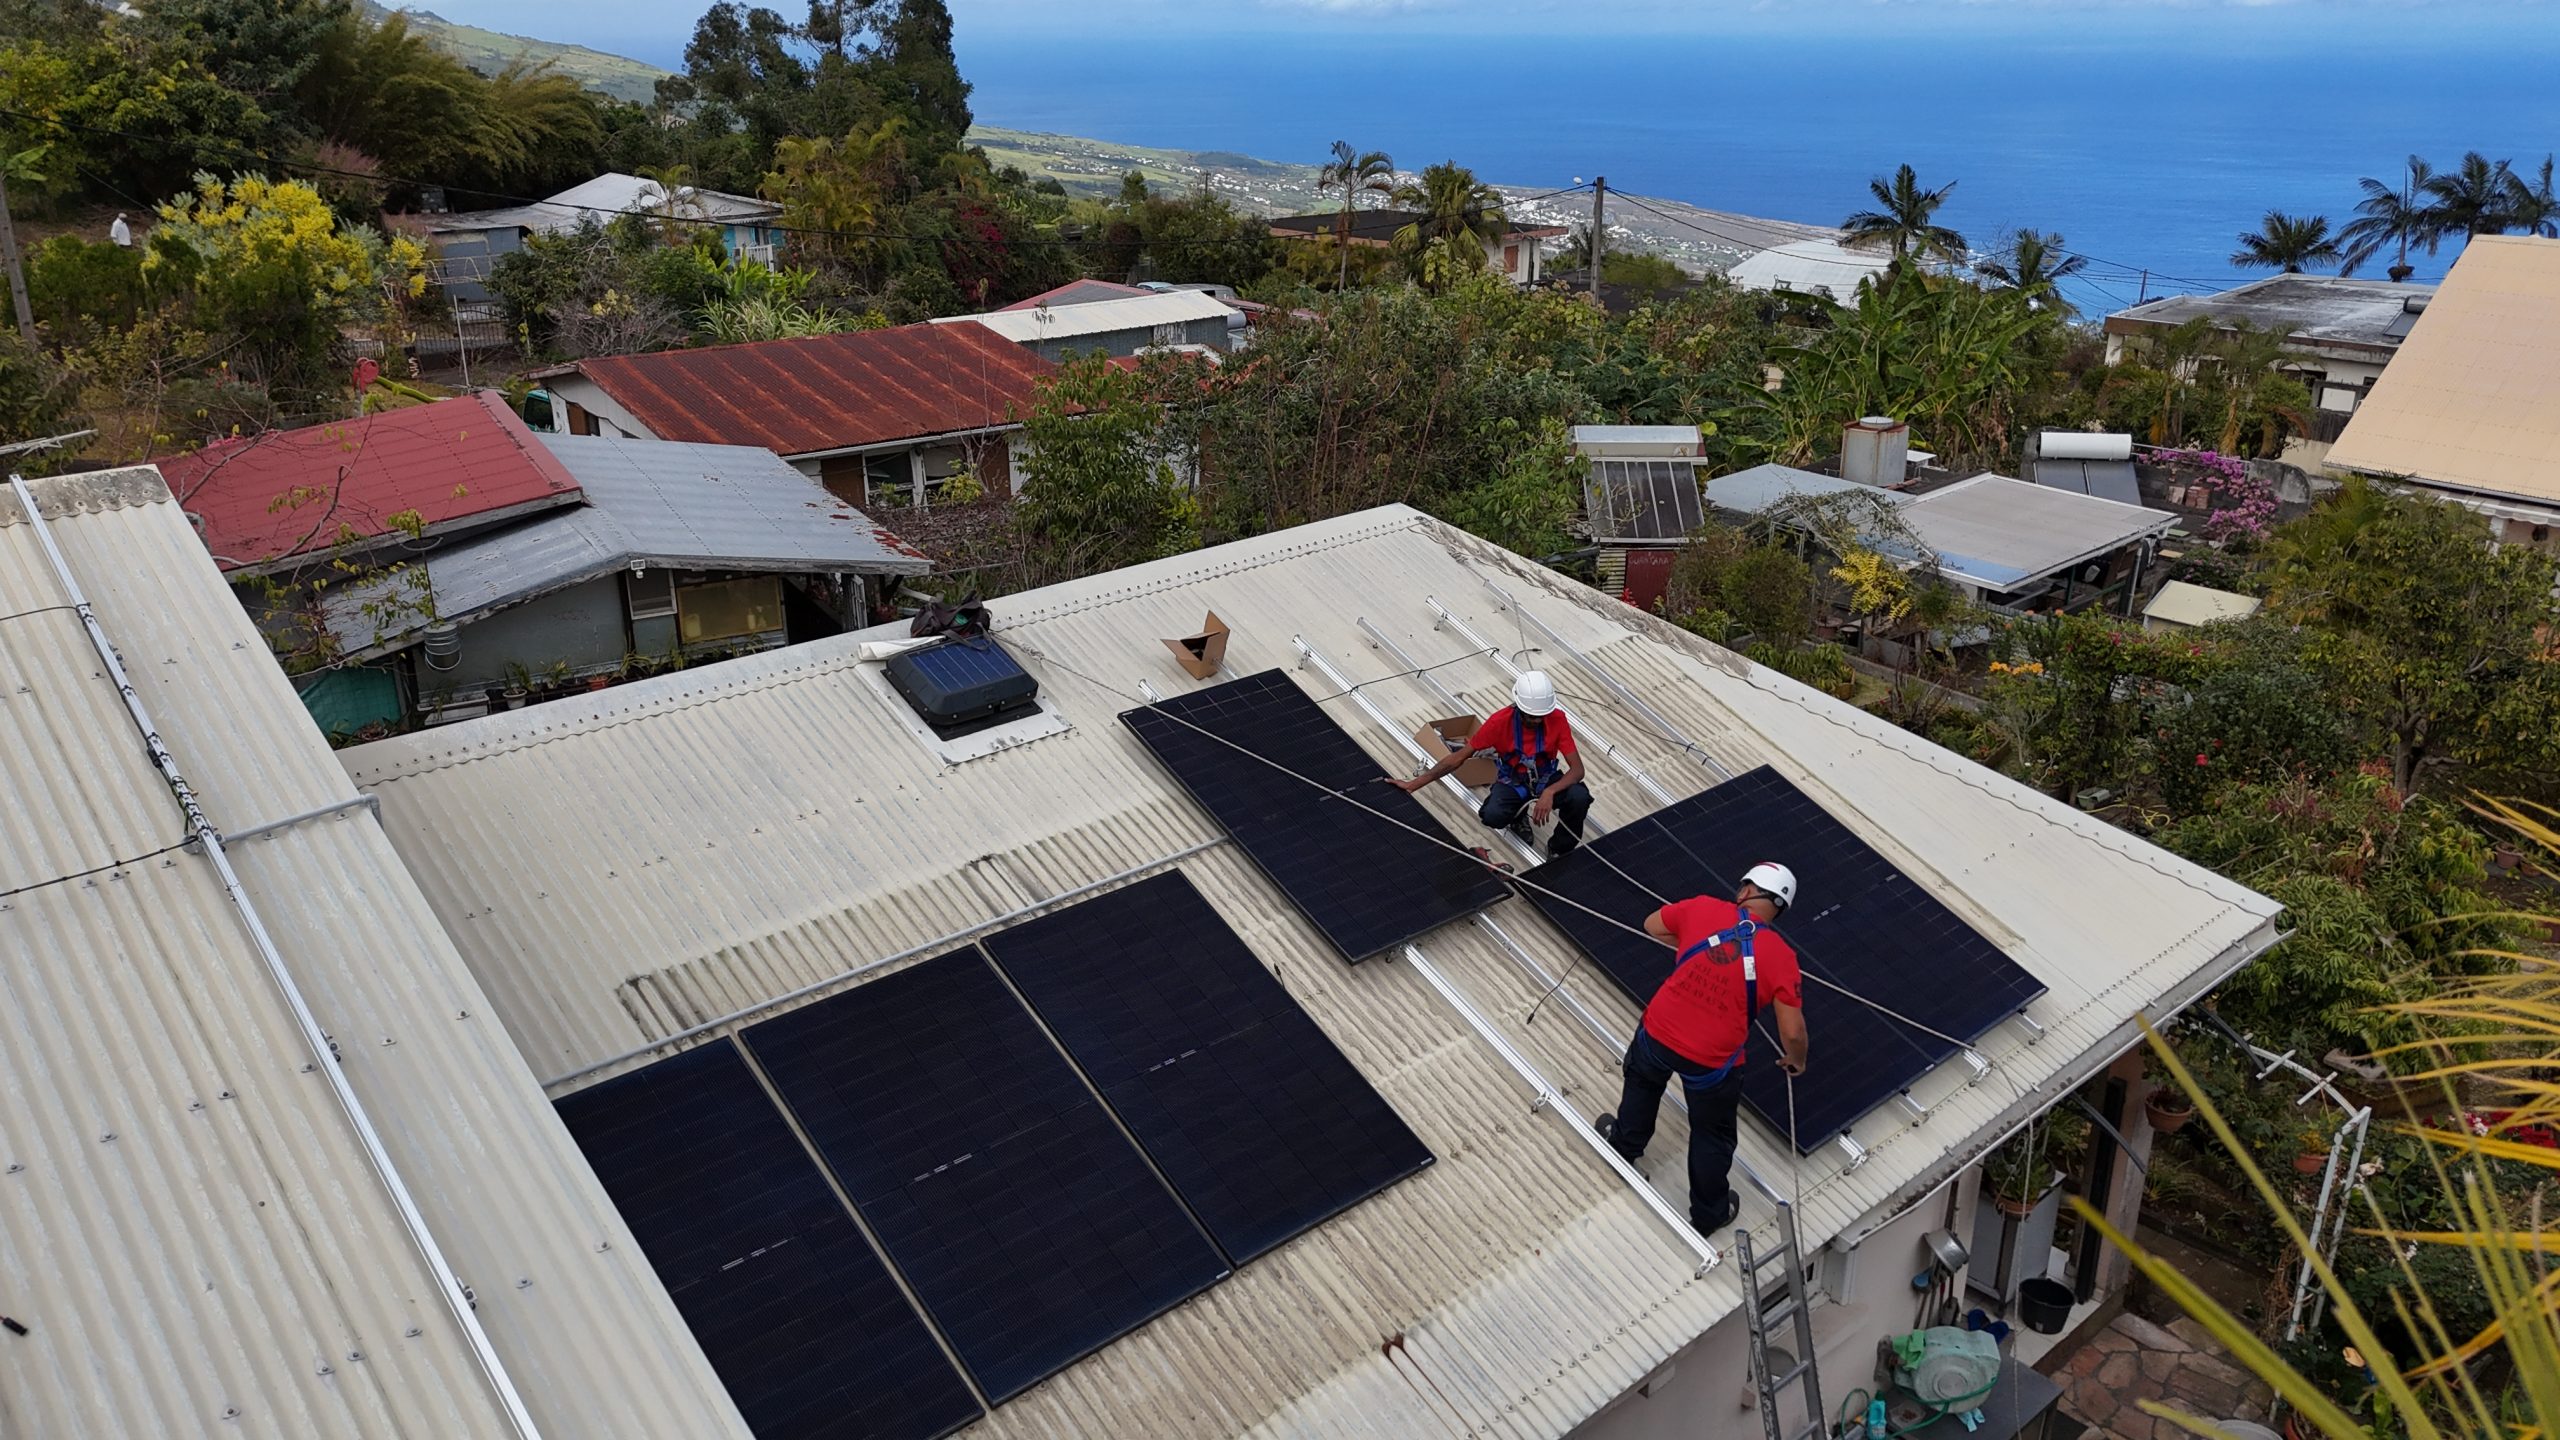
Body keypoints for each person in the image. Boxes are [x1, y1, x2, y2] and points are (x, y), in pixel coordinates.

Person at [1597, 863, 1810, 1234]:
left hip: (1659, 1033)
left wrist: (1693, 949)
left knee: (1643, 1087)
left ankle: (1625, 1145)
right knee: (1712, 1134)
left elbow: (1652, 925)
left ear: (1747, 891)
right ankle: (1710, 1213)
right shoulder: (1781, 956)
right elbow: (1791, 1032)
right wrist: (1797, 1060)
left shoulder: (1701, 908)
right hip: (1712, 1062)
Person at [1389, 671, 1592, 859]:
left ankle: (1559, 850)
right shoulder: (1499, 723)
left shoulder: (1556, 719)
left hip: (1546, 780)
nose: (1537, 721)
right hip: (1515, 782)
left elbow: (1577, 770)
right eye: (1531, 716)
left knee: (1579, 797)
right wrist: (1414, 784)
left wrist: (1550, 793)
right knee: (1492, 816)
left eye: (1541, 717)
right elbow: (1457, 758)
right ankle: (1518, 817)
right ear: (1519, 708)